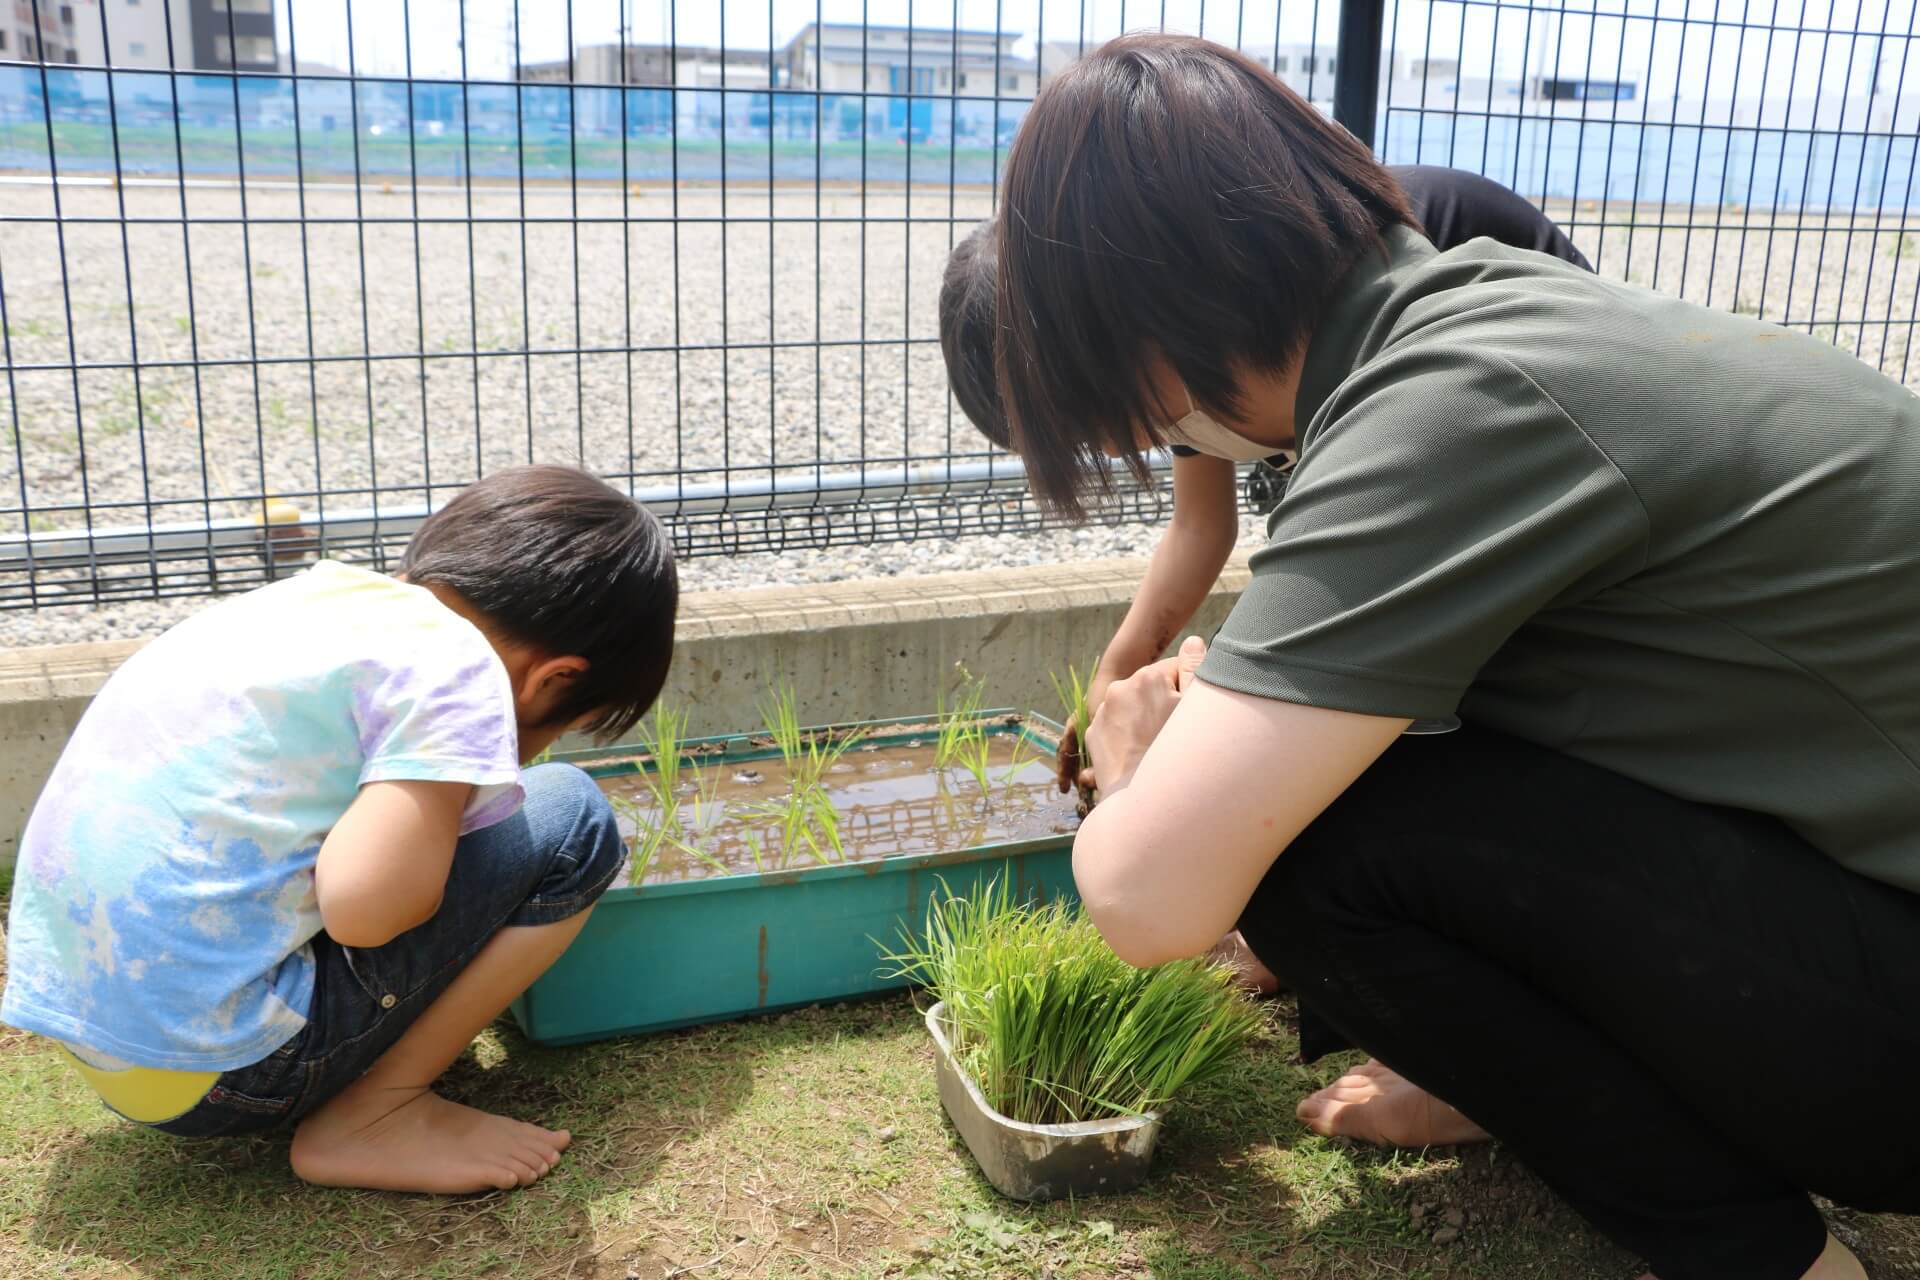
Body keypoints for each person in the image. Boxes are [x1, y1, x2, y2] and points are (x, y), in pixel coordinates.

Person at [995, 32, 1920, 1280]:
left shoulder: (1439, 409)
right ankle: (1507, 1100)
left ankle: (1771, 1261)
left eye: (1121, 402)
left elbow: (1148, 902)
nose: (1161, 432)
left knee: (1314, 856)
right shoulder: (1492, 309)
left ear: (1150, 334)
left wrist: (1132, 763)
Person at [0, 464, 677, 1195]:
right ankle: (377, 1116)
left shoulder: (312, 602)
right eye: (558, 730)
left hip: (97, 1038)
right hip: (223, 1070)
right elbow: (365, 911)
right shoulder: (459, 671)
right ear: (550, 682)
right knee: (571, 813)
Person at [939, 167, 1590, 797]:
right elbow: (1200, 526)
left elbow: (1339, 576)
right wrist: (1115, 679)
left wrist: (1163, 760)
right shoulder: (1164, 358)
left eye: (1084, 428)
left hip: (1541, 403)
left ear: (1090, 350)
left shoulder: (1256, 319)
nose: (1107, 449)